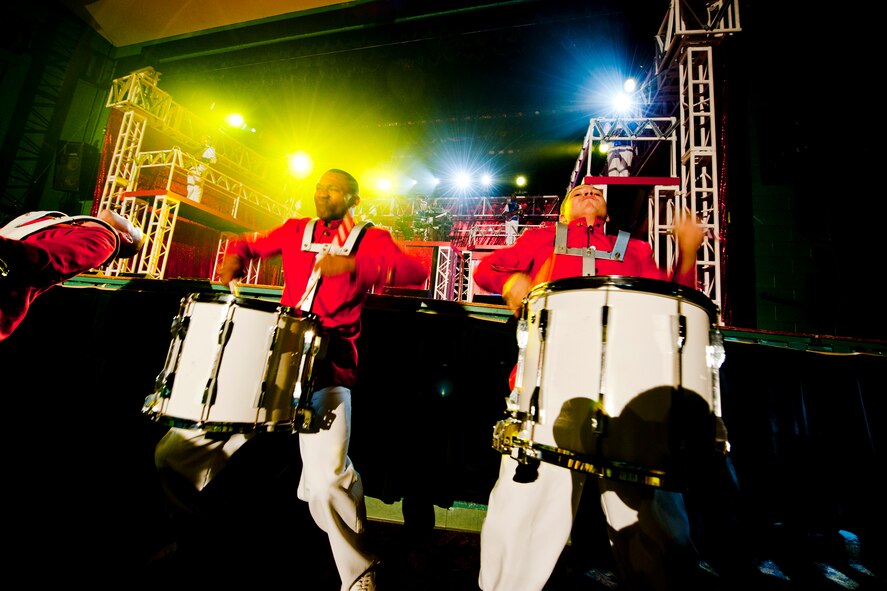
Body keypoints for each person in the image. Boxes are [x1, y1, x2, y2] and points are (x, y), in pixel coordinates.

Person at [153, 168, 429, 591]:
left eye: (332, 189)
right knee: (175, 454)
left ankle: (359, 572)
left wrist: (355, 265)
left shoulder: (371, 238)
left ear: (354, 197)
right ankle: (198, 539)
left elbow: (414, 271)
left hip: (328, 372)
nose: (321, 194)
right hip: (272, 368)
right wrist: (236, 257)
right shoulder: (295, 229)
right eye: (318, 187)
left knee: (326, 484)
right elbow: (248, 243)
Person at [474, 182, 709, 591]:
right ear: (563, 210)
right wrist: (512, 281)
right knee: (524, 511)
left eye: (596, 193)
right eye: (579, 191)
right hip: (545, 386)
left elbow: (673, 307)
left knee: (649, 511)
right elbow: (484, 270)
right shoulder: (541, 238)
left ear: (608, 212)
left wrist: (687, 252)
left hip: (624, 389)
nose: (588, 193)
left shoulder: (635, 249)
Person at [0, 208, 146, 341]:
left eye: (132, 224)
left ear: (126, 238)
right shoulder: (69, 223)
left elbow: (43, 259)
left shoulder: (103, 241)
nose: (126, 214)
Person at [186, 134, 216, 203]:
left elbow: (213, 160)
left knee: (197, 186)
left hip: (200, 168)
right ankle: (188, 200)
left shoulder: (210, 149)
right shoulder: (199, 149)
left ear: (207, 140)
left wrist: (202, 159)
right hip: (193, 167)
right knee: (190, 185)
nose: (201, 140)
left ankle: (195, 202)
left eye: (203, 139)